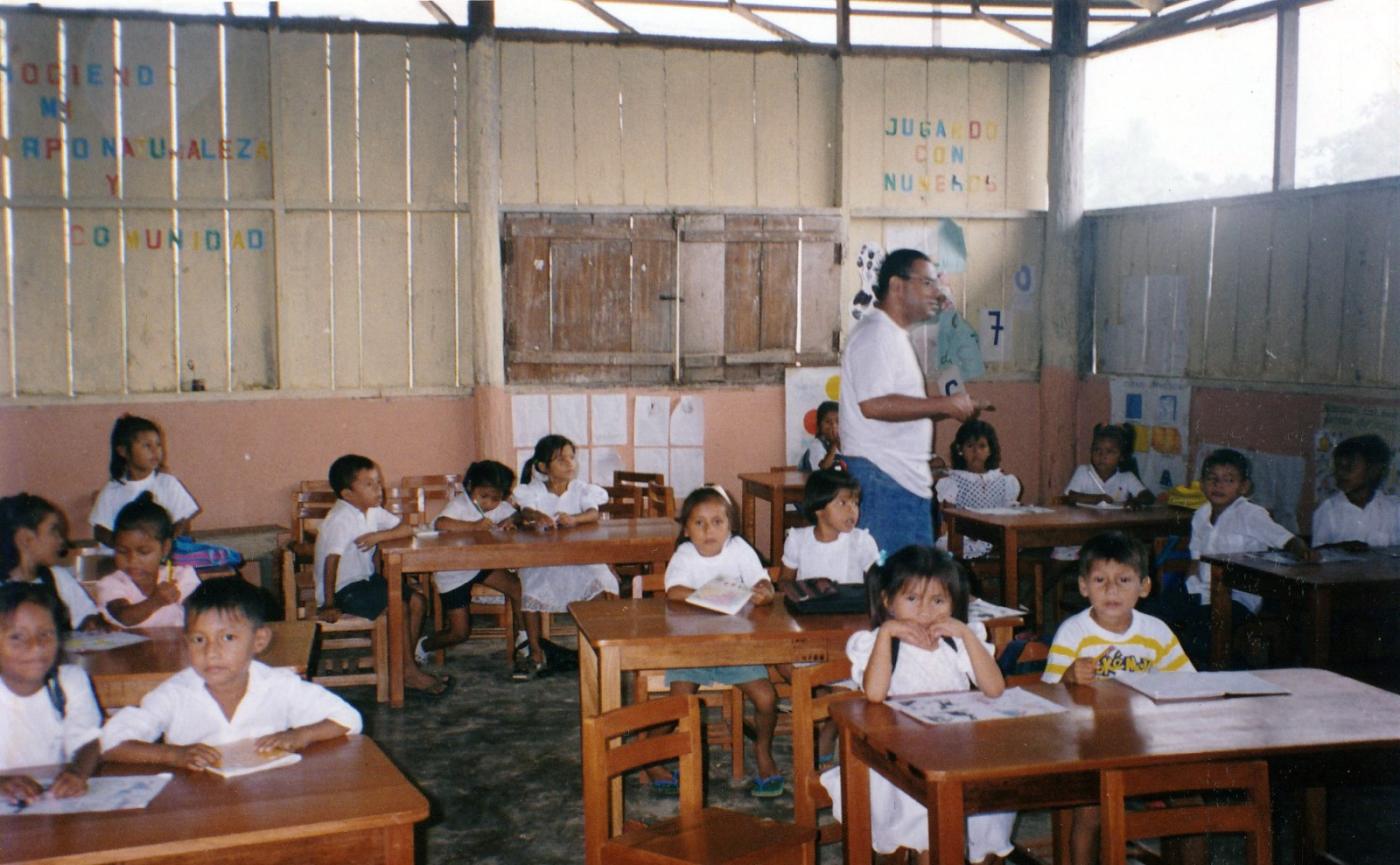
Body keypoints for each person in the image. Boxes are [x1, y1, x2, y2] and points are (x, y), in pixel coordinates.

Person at [818, 546, 1015, 865]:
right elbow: (875, 694)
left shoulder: (959, 640)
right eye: (912, 599)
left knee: (991, 802)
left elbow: (994, 688)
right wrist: (886, 634)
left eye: (938, 601)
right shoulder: (877, 643)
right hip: (898, 757)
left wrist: (966, 634)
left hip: (954, 748)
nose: (925, 612)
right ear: (887, 601)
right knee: (929, 820)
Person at [1041, 532, 1195, 865]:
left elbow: (1187, 681)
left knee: (1191, 801)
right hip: (1090, 743)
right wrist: (1068, 675)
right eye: (1100, 580)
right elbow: (1048, 690)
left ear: (1144, 586)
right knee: (1090, 811)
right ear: (1084, 586)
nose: (1112, 590)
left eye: (1124, 580)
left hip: (1147, 740)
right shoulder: (1074, 632)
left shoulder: (1156, 632)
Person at [101, 578, 361, 768]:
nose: (211, 652)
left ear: (259, 640)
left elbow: (348, 719)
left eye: (227, 638)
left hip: (267, 800)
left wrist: (299, 736)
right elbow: (109, 743)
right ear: (185, 641)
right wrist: (173, 755)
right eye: (199, 640)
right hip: (198, 805)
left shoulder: (278, 685)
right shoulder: (175, 693)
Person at [840, 248, 981, 553]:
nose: (936, 293)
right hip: (883, 480)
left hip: (899, 481)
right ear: (897, 286)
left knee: (913, 579)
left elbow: (897, 404)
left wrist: (948, 406)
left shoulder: (892, 335)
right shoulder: (876, 334)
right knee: (897, 579)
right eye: (927, 283)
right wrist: (944, 405)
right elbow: (873, 405)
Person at [656, 485, 784, 797]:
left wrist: (765, 592)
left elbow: (762, 582)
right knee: (676, 705)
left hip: (736, 649)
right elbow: (674, 591)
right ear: (686, 529)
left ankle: (763, 751)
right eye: (699, 523)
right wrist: (716, 596)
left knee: (766, 699)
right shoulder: (685, 554)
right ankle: (650, 756)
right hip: (691, 650)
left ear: (730, 526)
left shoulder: (738, 548)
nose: (708, 530)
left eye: (717, 522)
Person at [314, 453, 445, 696]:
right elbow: (331, 562)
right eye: (369, 484)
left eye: (378, 482)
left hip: (366, 581)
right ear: (347, 494)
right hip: (344, 589)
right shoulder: (341, 518)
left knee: (418, 601)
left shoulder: (372, 511)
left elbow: (406, 528)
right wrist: (329, 603)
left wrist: (378, 536)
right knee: (399, 606)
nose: (378, 489)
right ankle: (407, 671)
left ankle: (403, 666)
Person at [777, 469, 879, 763]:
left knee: (845, 687)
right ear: (820, 509)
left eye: (855, 503)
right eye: (843, 503)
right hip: (807, 631)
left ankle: (828, 728)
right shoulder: (798, 540)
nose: (853, 511)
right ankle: (819, 706)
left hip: (846, 634)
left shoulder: (861, 541)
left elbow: (877, 585)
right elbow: (784, 585)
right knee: (782, 661)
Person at [513, 435, 618, 680]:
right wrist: (536, 516)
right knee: (530, 584)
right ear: (543, 467)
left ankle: (594, 647)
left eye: (572, 457)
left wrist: (574, 519)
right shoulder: (533, 491)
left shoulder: (580, 489)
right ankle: (536, 652)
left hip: (578, 557)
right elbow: (525, 511)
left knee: (600, 580)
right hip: (543, 559)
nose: (570, 463)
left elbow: (592, 513)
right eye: (561, 460)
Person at [0, 582, 102, 806]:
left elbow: (87, 742)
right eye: (17, 637)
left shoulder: (69, 682)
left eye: (46, 634)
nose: (36, 646)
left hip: (49, 805)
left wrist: (77, 773)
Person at [414, 460, 525, 663]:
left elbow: (516, 515)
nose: (488, 503)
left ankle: (524, 638)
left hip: (479, 566)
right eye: (483, 496)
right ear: (470, 486)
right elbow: (441, 523)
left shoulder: (499, 506)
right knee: (460, 633)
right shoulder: (460, 504)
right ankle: (423, 646)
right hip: (452, 573)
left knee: (516, 587)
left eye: (495, 498)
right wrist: (474, 526)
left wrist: (511, 521)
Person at [1188, 449, 1315, 618]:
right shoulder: (1200, 515)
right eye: (1212, 478)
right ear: (1202, 484)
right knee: (1162, 611)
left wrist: (1303, 550)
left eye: (1229, 480)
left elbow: (1287, 539)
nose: (1219, 485)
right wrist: (1190, 588)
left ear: (1244, 487)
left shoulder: (1251, 514)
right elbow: (1195, 560)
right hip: (1200, 592)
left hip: (1237, 598)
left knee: (1197, 625)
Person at [89, 415, 199, 550]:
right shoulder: (112, 490)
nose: (155, 451)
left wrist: (163, 546)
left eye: (158, 444)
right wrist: (127, 548)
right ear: (123, 451)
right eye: (147, 445)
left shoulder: (168, 483)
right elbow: (100, 531)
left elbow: (182, 523)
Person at [94, 493, 200, 629]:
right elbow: (125, 617)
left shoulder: (180, 576)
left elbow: (200, 611)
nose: (132, 560)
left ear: (165, 548)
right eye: (122, 551)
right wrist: (155, 601)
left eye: (143, 552)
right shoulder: (112, 583)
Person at [0, 493, 103, 631]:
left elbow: (86, 615)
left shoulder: (58, 577)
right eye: (53, 531)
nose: (61, 540)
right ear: (25, 539)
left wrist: (91, 622)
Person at [935, 419, 1020, 559]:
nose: (976, 451)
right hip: (965, 537)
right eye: (970, 446)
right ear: (960, 450)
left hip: (997, 537)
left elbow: (1009, 513)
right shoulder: (953, 481)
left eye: (982, 446)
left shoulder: (1004, 481)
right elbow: (949, 517)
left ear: (990, 450)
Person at [1312, 434, 1400, 548]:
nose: (1340, 473)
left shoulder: (1394, 510)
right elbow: (1319, 552)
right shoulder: (1328, 511)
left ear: (1374, 470)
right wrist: (1340, 548)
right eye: (1338, 467)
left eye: (1349, 467)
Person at [1063, 424, 1154, 509]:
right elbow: (1070, 497)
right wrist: (1097, 498)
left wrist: (1136, 501)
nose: (1102, 455)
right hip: (1085, 520)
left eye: (1109, 451)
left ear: (1122, 456)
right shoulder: (1084, 471)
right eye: (1097, 450)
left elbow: (1148, 497)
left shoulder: (1127, 477)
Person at [799, 401, 844, 472]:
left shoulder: (846, 445)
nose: (834, 426)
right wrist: (833, 445)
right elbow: (823, 470)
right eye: (828, 422)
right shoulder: (816, 445)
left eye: (838, 421)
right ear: (819, 426)